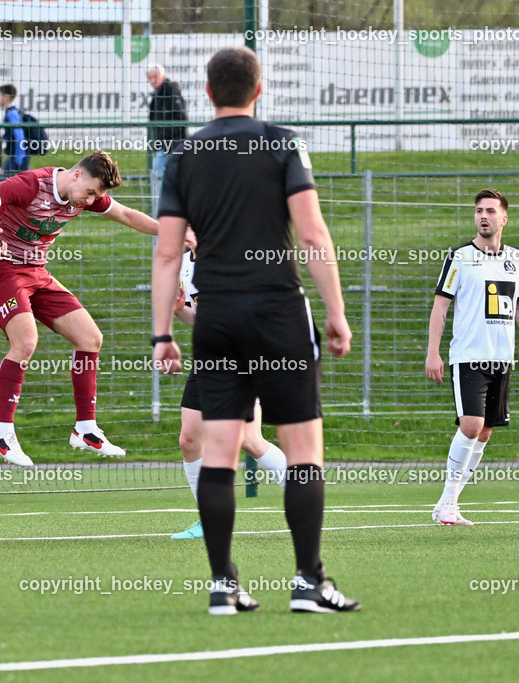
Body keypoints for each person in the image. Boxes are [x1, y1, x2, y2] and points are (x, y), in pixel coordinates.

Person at [150, 46, 360, 614]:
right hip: (277, 313)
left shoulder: (185, 153)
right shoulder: (282, 142)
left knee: (217, 452)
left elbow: (169, 253)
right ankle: (308, 583)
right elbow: (313, 235)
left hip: (216, 318)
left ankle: (223, 585)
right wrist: (336, 313)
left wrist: (162, 334)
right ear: (258, 89)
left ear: (209, 92)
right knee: (303, 452)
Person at [0, 150, 159, 467]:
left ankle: (85, 429)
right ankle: (1, 434)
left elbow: (126, 215)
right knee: (26, 342)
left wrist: (174, 233)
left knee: (90, 338)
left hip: (37, 272)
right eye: (91, 192)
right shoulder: (31, 184)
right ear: (77, 174)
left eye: (97, 196)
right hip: (1, 271)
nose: (90, 201)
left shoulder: (85, 195)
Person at [425, 189, 519, 526]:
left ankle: (449, 505)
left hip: (501, 358)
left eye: (490, 211)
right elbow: (440, 306)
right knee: (471, 425)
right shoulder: (460, 257)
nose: (483, 216)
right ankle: (446, 502)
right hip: (469, 356)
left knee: (485, 431)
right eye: (479, 211)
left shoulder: (516, 259)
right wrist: (433, 353)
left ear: (504, 218)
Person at [171, 249, 288, 540]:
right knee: (190, 439)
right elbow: (196, 317)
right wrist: (178, 309)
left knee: (249, 439)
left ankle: (305, 497)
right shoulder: (185, 260)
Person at [146, 63, 187, 216]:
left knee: (164, 175)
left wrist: (169, 140)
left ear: (162, 76)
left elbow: (180, 118)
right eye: (150, 78)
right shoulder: (156, 95)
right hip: (163, 145)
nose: (152, 80)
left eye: (155, 77)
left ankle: (165, 210)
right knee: (157, 175)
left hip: (173, 145)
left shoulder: (171, 92)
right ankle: (161, 209)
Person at [0, 84, 28, 176]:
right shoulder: (11, 112)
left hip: (17, 156)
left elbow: (19, 136)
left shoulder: (11, 113)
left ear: (6, 97)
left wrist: (19, 158)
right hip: (17, 155)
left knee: (5, 183)